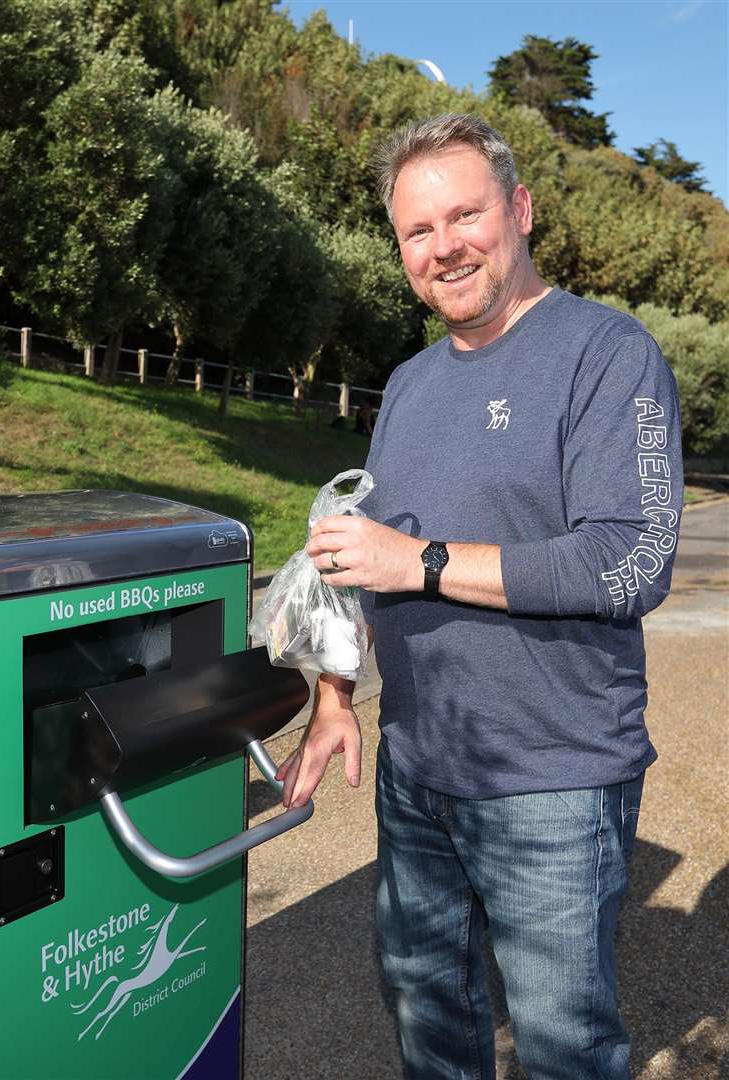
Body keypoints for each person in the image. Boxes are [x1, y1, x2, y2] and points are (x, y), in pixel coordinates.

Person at [275, 113, 682, 1079]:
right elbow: (362, 561)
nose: (445, 246)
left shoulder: (608, 354)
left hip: (553, 779)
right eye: (419, 231)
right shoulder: (410, 384)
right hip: (419, 773)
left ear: (522, 210)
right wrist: (334, 697)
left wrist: (416, 560)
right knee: (426, 1013)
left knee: (560, 1044)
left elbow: (632, 564)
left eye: (466, 215)